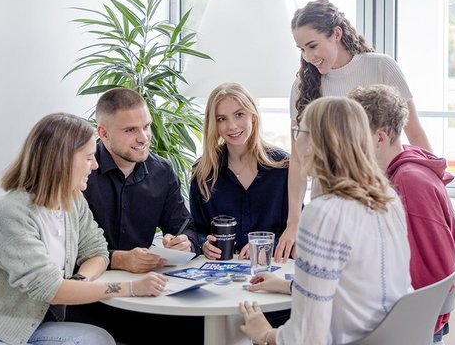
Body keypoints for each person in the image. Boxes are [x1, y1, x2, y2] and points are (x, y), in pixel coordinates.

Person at [0, 113, 168, 345]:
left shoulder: (73, 201)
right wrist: (130, 288)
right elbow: (52, 291)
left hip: (34, 328)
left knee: (99, 339)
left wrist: (80, 279)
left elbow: (97, 253)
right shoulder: (12, 212)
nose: (95, 165)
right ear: (62, 159)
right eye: (89, 157)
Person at [239, 96, 412, 345]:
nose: (295, 138)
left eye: (298, 130)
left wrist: (265, 334)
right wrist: (289, 286)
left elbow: (307, 338)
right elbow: (357, 287)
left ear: (315, 144)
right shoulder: (387, 199)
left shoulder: (324, 214)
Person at [277, 0, 432, 262]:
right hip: (326, 208)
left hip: (376, 204)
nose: (308, 56)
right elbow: (299, 161)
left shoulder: (381, 67)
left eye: (313, 45)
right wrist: (294, 222)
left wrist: (431, 183)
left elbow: (414, 134)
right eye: (302, 49)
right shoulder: (302, 87)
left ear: (336, 33)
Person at [67, 87, 202, 344]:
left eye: (147, 126)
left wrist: (185, 241)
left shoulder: (162, 171)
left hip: (143, 297)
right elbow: (63, 251)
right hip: (88, 301)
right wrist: (118, 259)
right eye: (130, 130)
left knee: (199, 329)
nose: (144, 138)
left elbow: (186, 226)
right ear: (103, 133)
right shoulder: (81, 172)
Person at [349, 84, 455, 344]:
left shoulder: (409, 184)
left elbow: (431, 272)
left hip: (410, 323)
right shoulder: (403, 165)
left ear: (380, 137)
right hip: (407, 314)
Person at [190, 83, 289, 260]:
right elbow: (196, 230)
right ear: (213, 124)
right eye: (221, 119)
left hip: (271, 270)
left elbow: (297, 229)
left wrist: (267, 246)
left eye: (239, 115)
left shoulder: (284, 167)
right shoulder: (203, 173)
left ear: (253, 116)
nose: (232, 126)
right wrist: (203, 243)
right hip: (217, 274)